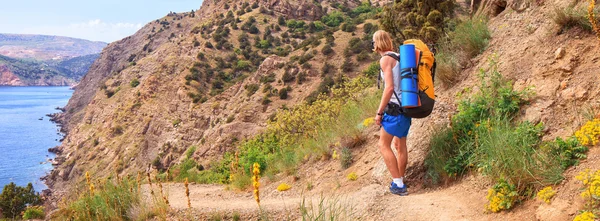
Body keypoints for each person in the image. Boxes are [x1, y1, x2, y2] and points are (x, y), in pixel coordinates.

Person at [372, 30, 411, 196]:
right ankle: (400, 178)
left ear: (377, 43)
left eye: (373, 42)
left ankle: (398, 184)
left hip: (394, 109)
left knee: (383, 145)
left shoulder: (385, 59)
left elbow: (389, 88)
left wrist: (379, 112)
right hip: (408, 106)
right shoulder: (399, 56)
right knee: (399, 145)